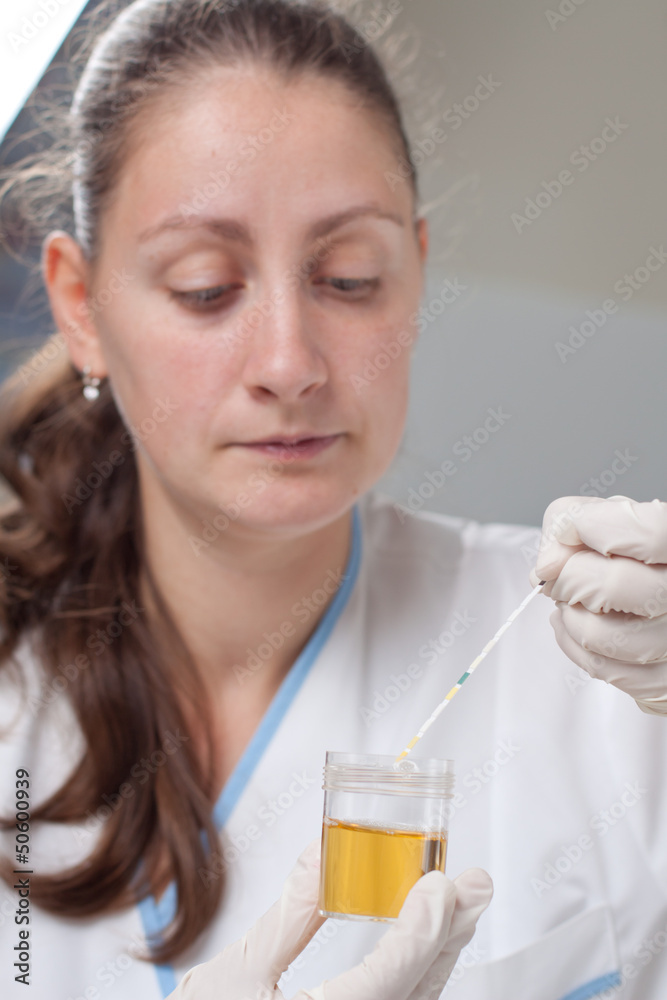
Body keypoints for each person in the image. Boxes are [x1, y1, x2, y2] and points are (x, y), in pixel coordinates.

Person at [0, 0, 666, 997]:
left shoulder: (608, 676)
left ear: (417, 270)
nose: (289, 362)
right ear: (82, 307)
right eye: (205, 284)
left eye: (349, 279)